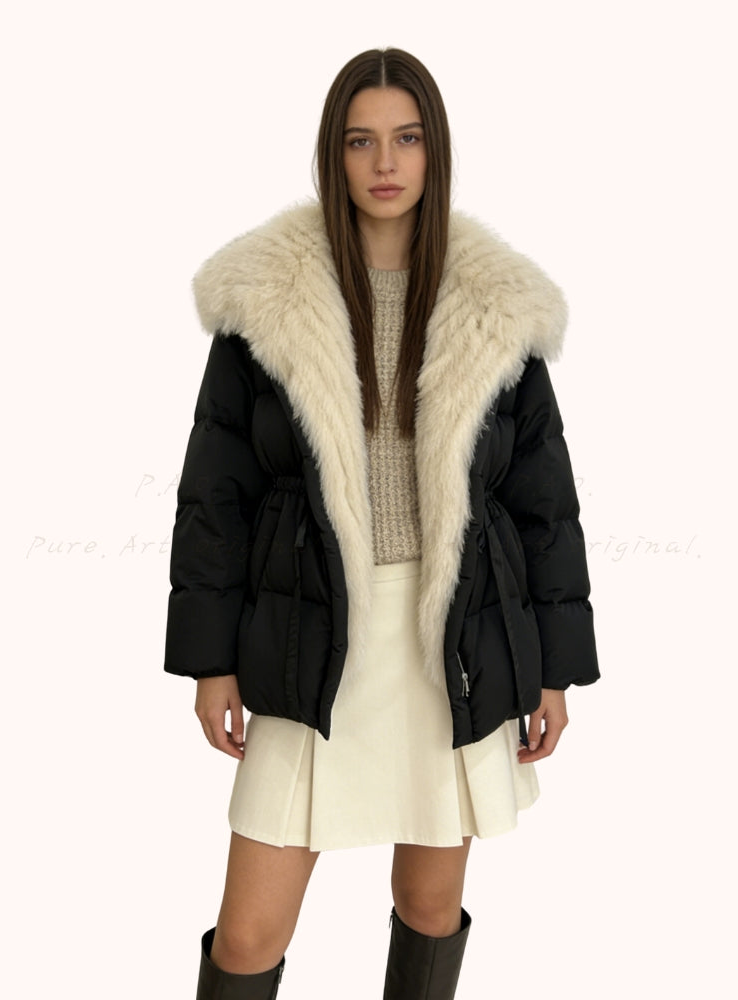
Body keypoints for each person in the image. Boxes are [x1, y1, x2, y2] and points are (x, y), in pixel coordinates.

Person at [165, 47, 599, 1000]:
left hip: (456, 640)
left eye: (407, 138)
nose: (386, 162)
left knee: (428, 906)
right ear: (335, 155)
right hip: (308, 632)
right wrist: (209, 661)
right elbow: (214, 499)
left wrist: (555, 670)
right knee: (248, 935)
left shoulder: (497, 307)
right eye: (361, 141)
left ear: (435, 150)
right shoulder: (267, 302)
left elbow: (545, 505)